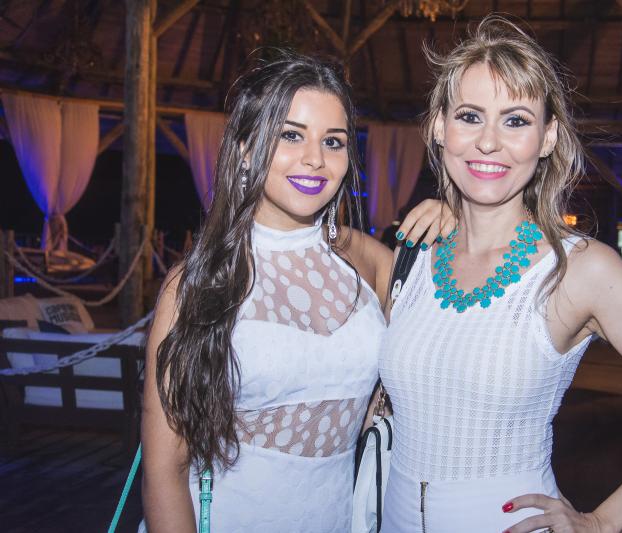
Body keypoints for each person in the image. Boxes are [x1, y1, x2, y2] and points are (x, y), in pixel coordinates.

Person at [379, 16, 622, 533]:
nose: (489, 142)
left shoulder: (581, 269)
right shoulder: (415, 253)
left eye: (516, 121)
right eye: (470, 116)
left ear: (547, 138)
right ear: (439, 127)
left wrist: (602, 523)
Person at [140, 51, 453, 532]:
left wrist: (462, 222)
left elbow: (457, 344)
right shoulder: (199, 283)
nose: (315, 158)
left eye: (333, 141)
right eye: (291, 135)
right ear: (246, 149)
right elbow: (165, 470)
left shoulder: (369, 261)